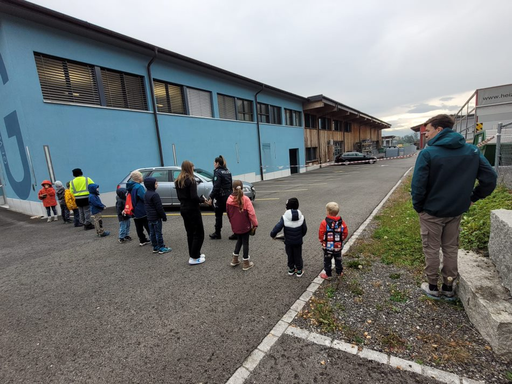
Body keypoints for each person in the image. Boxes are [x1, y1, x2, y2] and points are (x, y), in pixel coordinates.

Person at [411, 114, 497, 298]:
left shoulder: (428, 153)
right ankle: (449, 287)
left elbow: (418, 186)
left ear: (439, 130)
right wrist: (473, 197)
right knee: (450, 247)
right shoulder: (472, 151)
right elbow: (490, 178)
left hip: (432, 212)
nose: (426, 135)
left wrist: (418, 206)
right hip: (456, 210)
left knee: (431, 248)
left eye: (428, 130)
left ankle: (432, 286)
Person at [175, 160, 206, 265]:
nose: (193, 169)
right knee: (199, 233)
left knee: (190, 233)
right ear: (189, 168)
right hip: (192, 209)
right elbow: (193, 197)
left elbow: (180, 197)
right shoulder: (191, 180)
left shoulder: (178, 180)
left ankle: (194, 253)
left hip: (183, 208)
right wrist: (202, 200)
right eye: (192, 167)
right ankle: (194, 257)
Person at [270, 197, 308, 277]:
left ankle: (291, 269)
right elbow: (304, 229)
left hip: (288, 241)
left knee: (290, 254)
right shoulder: (301, 217)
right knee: (298, 255)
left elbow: (278, 227)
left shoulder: (284, 217)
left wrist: (273, 234)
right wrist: (300, 236)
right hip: (298, 241)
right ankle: (299, 270)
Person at [226, 180, 258, 271]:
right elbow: (251, 213)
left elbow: (228, 213)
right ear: (242, 188)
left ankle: (235, 259)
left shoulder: (228, 200)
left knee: (239, 240)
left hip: (235, 225)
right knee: (245, 242)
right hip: (245, 225)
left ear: (232, 188)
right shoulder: (245, 199)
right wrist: (255, 224)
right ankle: (246, 262)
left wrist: (232, 222)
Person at [318, 202, 348, 280]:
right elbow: (345, 232)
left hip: (327, 247)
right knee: (338, 259)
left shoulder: (324, 222)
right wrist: (341, 240)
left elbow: (321, 233)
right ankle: (339, 271)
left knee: (327, 260)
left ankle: (328, 274)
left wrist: (322, 241)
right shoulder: (341, 222)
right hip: (338, 246)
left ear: (328, 212)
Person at [143, 177, 171, 254]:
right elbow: (159, 207)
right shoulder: (155, 195)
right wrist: (163, 216)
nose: (157, 184)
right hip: (156, 217)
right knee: (158, 232)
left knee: (152, 233)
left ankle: (155, 247)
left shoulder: (145, 194)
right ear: (151, 184)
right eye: (156, 183)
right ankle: (161, 247)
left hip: (149, 217)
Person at [207, 155, 233, 240]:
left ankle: (217, 233)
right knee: (232, 215)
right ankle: (237, 232)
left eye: (214, 163)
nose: (214, 164)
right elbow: (230, 184)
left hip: (221, 197)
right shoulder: (227, 171)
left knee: (218, 215)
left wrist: (211, 197)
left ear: (217, 163)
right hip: (229, 196)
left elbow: (216, 187)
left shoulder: (218, 172)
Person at [126, 171, 151, 246]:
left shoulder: (130, 186)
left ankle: (142, 240)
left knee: (138, 227)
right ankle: (153, 239)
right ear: (139, 178)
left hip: (134, 210)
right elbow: (144, 197)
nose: (142, 178)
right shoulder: (139, 187)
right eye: (141, 176)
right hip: (141, 209)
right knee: (148, 225)